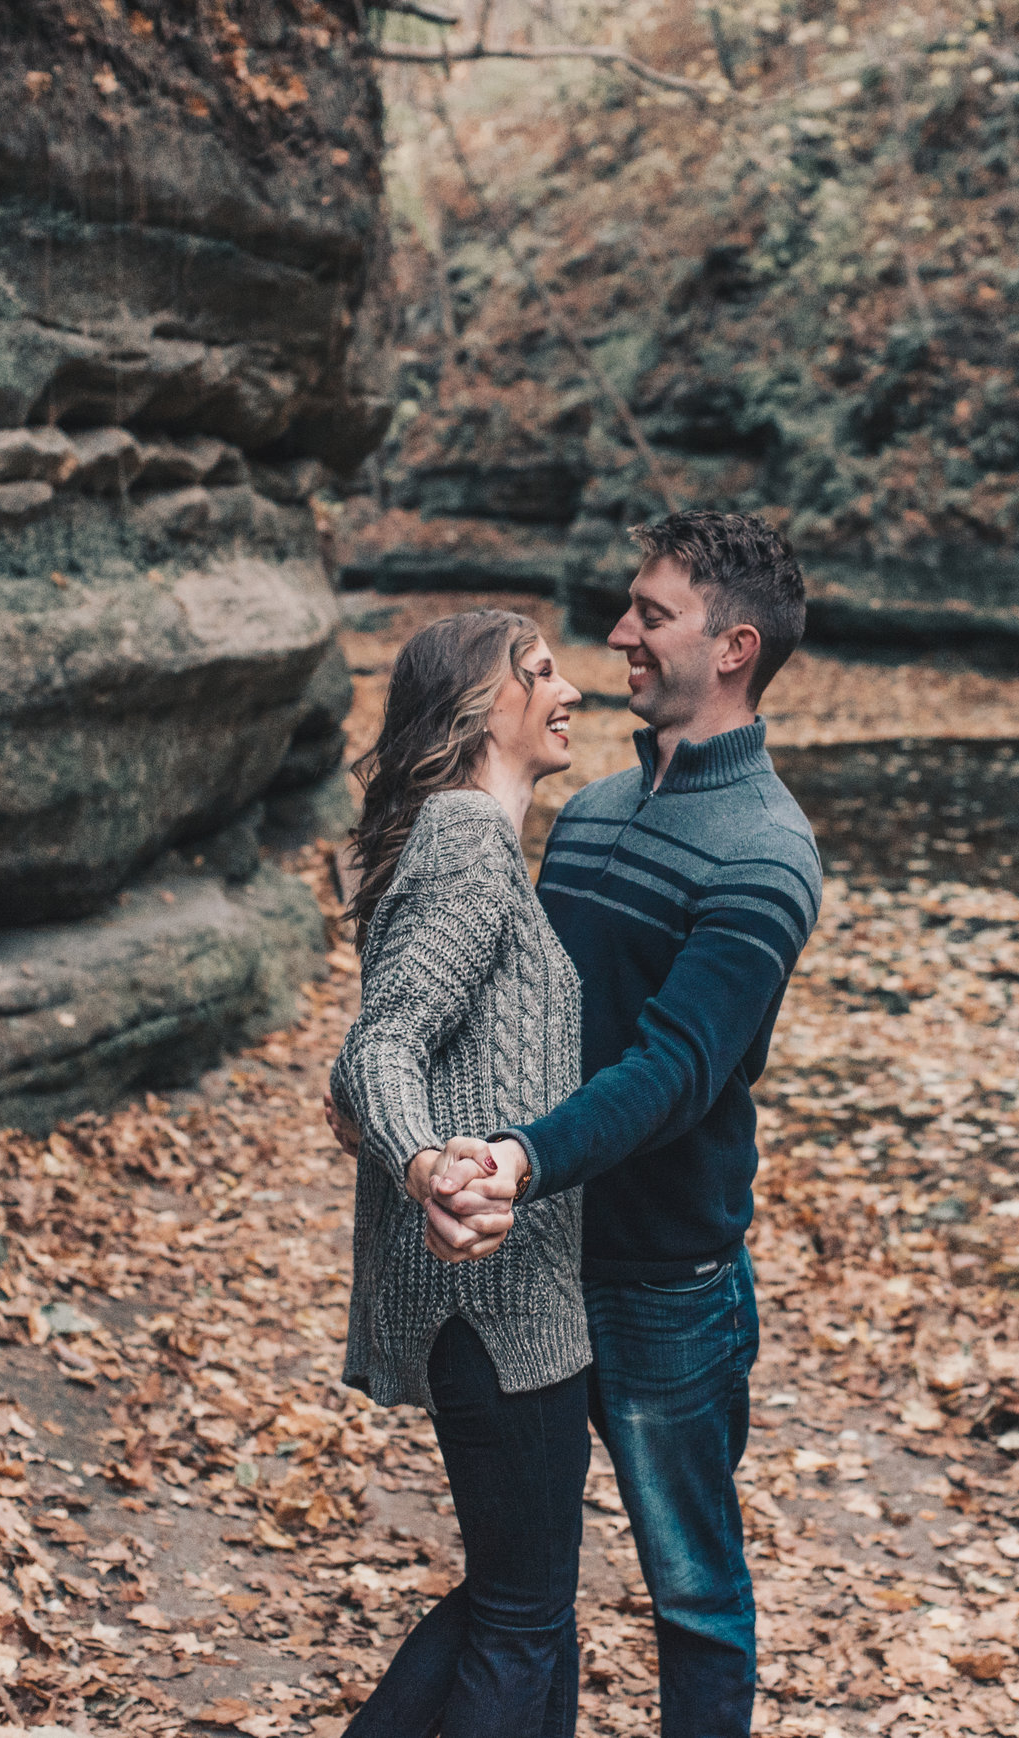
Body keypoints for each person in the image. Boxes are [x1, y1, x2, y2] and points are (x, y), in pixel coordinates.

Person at [336, 510, 822, 1738]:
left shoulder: (767, 853)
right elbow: (489, 1008)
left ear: (734, 647)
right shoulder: (590, 813)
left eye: (652, 613)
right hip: (531, 1261)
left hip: (660, 1281)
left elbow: (673, 1072)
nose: (620, 635)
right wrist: (395, 1122)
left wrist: (512, 1156)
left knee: (692, 1594)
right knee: (521, 1588)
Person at [327, 608, 591, 1738]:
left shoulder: (469, 844)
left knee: (522, 1607)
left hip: (500, 1302)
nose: (569, 687)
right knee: (523, 1616)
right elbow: (378, 1044)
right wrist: (426, 1159)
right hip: (494, 1302)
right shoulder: (465, 841)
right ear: (486, 707)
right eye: (541, 672)